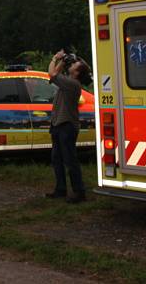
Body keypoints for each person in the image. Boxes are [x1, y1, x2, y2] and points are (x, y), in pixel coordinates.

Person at [46, 50, 92, 203]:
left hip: (67, 126)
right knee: (57, 159)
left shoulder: (72, 84)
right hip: (58, 124)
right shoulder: (67, 81)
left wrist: (55, 58)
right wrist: (62, 62)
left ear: (77, 72)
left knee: (70, 160)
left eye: (74, 64)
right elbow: (54, 77)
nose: (71, 65)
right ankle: (61, 189)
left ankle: (79, 192)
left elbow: (51, 74)